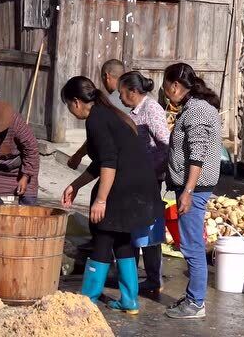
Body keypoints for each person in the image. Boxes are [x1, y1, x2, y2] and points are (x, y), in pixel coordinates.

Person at [60, 76, 163, 314]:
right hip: (140, 187)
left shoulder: (96, 119)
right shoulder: (110, 113)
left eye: (68, 105)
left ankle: (87, 300)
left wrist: (101, 200)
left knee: (103, 235)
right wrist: (75, 186)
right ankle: (129, 301)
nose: (70, 110)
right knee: (122, 239)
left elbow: (108, 162)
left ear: (76, 102)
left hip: (124, 188)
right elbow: (101, 162)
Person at [162, 63, 221, 319]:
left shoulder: (196, 110)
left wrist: (187, 190)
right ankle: (192, 297)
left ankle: (196, 303)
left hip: (194, 188)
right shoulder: (194, 107)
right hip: (191, 186)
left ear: (175, 85)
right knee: (191, 242)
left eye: (166, 87)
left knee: (192, 245)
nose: (165, 92)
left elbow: (197, 154)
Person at [118, 71, 170, 296]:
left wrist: (156, 172)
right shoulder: (135, 111)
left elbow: (166, 144)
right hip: (137, 178)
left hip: (150, 179)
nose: (119, 97)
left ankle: (152, 278)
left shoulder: (152, 109)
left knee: (148, 229)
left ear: (132, 91)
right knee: (137, 226)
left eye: (122, 92)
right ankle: (137, 276)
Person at [67, 59, 128, 169]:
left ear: (106, 76)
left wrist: (78, 155)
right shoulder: (135, 94)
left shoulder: (111, 104)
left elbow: (100, 141)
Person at [0, 98, 40, 205]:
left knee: (28, 204)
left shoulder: (15, 121)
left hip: (20, 170)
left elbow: (31, 149)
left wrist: (25, 176)